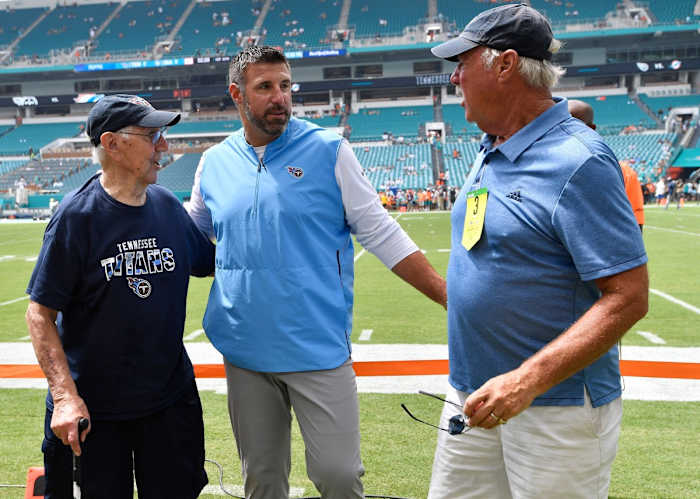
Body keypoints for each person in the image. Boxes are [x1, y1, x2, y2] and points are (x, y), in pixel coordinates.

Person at [187, 46, 447, 499]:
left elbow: (381, 232)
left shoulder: (328, 150)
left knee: (338, 476)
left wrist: (448, 295)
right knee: (262, 481)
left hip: (316, 346)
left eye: (285, 86)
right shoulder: (213, 162)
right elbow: (190, 237)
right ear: (237, 94)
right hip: (245, 349)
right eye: (265, 87)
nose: (280, 97)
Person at [429, 5, 648, 498]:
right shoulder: (492, 145)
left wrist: (526, 381)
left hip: (554, 405)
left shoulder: (579, 160)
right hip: (473, 393)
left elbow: (629, 296)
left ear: (505, 65)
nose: (455, 78)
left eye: (462, 63)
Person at [25, 94, 214, 499]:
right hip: (93, 414)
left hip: (168, 404)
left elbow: (214, 261)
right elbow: (39, 314)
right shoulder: (77, 218)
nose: (165, 145)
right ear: (111, 143)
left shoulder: (167, 206)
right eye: (152, 135)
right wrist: (64, 397)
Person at [568, 99, 645, 230]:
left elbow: (635, 225)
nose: (567, 132)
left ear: (592, 129)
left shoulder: (625, 173)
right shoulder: (539, 167)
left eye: (573, 126)